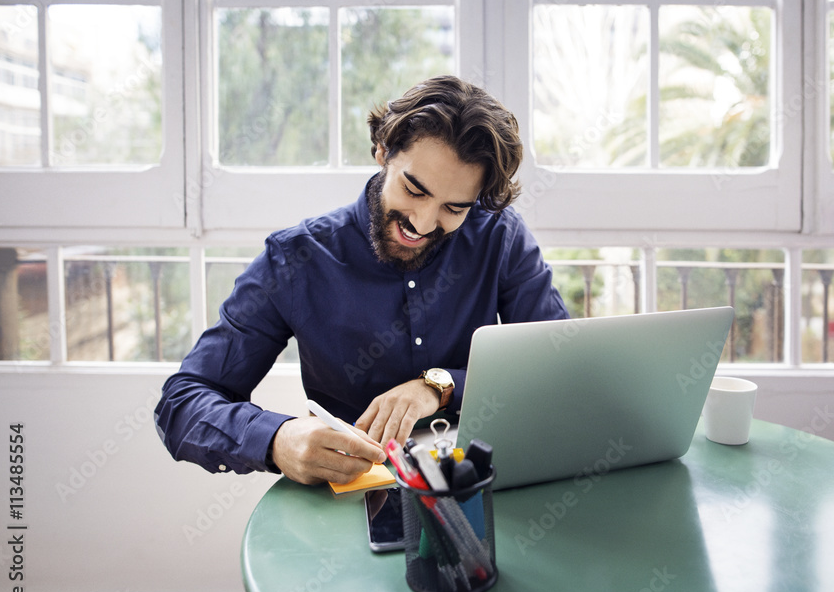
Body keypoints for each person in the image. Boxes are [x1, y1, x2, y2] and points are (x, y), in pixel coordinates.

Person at [154, 76, 569, 486]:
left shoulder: (499, 236)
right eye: (414, 189)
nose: (423, 223)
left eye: (454, 208)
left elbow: (556, 366)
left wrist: (439, 386)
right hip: (353, 497)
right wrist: (277, 439)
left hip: (484, 485)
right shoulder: (296, 259)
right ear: (383, 151)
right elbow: (182, 402)